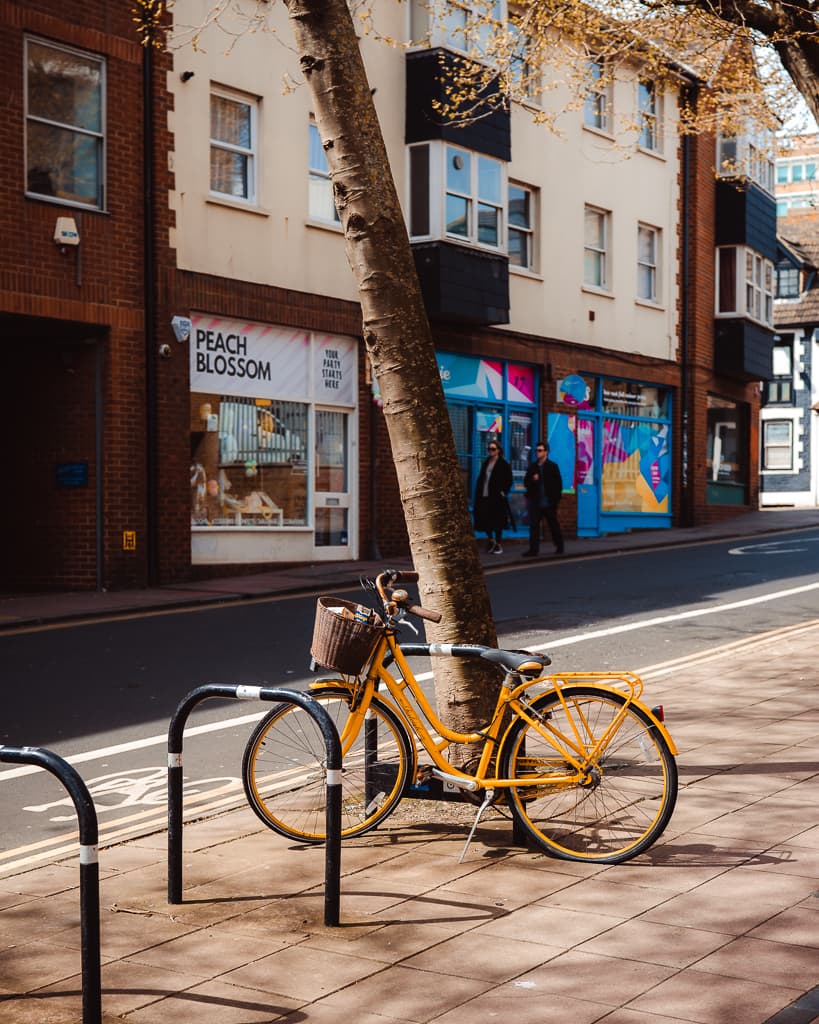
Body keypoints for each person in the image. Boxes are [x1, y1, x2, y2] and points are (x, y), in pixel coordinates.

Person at [522, 441, 564, 557]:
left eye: (540, 450)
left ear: (546, 452)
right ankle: (533, 550)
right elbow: (526, 483)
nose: (537, 453)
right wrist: (533, 480)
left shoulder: (552, 466)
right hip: (536, 502)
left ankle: (559, 546)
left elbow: (558, 485)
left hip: (549, 502)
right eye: (536, 450)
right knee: (534, 526)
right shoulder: (533, 467)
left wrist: (555, 501)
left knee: (553, 525)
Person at [473, 440, 513, 554]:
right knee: (485, 519)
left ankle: (498, 544)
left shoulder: (504, 464)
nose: (491, 451)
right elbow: (482, 478)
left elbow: (509, 480)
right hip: (484, 495)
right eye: (489, 449)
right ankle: (491, 540)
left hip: (497, 497)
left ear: (498, 450)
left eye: (493, 449)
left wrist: (504, 491)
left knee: (497, 521)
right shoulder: (486, 462)